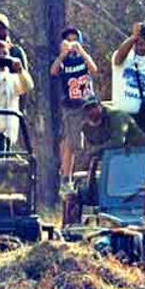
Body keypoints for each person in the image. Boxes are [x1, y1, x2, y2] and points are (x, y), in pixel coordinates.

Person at [51, 27, 97, 180]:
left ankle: (93, 170)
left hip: (88, 104)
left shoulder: (83, 59)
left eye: (74, 40)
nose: (71, 44)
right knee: (71, 142)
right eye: (68, 41)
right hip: (71, 105)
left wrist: (81, 51)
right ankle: (66, 177)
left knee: (93, 138)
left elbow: (94, 69)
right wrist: (63, 54)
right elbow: (53, 71)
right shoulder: (64, 62)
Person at [111, 20, 145, 138]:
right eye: (140, 37)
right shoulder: (124, 59)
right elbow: (118, 59)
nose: (142, 40)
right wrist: (133, 37)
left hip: (143, 121)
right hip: (121, 118)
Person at [0, 40, 33, 150]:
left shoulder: (13, 78)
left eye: (5, 54)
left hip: (7, 135)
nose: (1, 57)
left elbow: (28, 86)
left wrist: (20, 70)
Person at [79, 97, 145, 167]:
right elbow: (90, 149)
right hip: (117, 158)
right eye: (88, 108)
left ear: (100, 106)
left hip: (140, 152)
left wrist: (95, 151)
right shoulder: (86, 127)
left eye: (94, 106)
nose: (91, 111)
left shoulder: (116, 116)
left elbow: (118, 142)